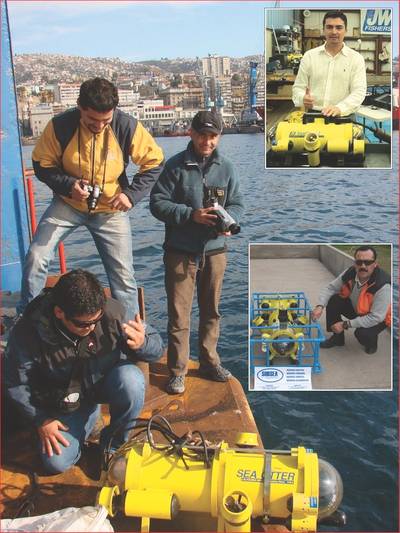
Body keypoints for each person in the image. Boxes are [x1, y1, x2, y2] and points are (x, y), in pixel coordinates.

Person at [17, 78, 164, 320]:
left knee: (123, 276)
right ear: (79, 108)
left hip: (110, 209)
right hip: (68, 203)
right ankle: (28, 320)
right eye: (92, 120)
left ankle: (131, 333)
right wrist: (68, 185)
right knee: (36, 257)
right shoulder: (61, 125)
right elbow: (42, 163)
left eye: (105, 121)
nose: (98, 125)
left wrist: (131, 195)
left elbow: (155, 163)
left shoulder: (127, 126)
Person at [5, 269, 163, 474]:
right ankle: (88, 420)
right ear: (59, 312)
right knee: (55, 462)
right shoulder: (28, 332)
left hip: (101, 383)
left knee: (131, 380)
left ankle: (114, 446)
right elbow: (16, 383)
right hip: (61, 402)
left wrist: (143, 343)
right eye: (82, 324)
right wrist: (41, 420)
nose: (90, 328)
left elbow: (156, 348)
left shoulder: (113, 314)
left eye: (95, 321)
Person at [150, 111, 244, 394]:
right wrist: (191, 215)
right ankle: (177, 371)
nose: (207, 141)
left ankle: (209, 362)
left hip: (215, 252)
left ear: (219, 137)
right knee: (179, 316)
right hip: (180, 253)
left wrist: (231, 222)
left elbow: (238, 202)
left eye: (213, 135)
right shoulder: (175, 167)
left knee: (211, 312)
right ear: (191, 133)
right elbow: (157, 203)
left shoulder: (226, 167)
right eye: (202, 134)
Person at [311, 246, 391, 354]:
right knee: (333, 300)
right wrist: (320, 306)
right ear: (354, 263)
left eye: (367, 262)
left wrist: (345, 324)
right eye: (359, 262)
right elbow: (331, 288)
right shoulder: (350, 272)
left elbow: (376, 317)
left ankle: (372, 342)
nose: (363, 266)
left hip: (377, 318)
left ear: (375, 264)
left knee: (362, 334)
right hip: (357, 309)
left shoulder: (383, 285)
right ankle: (338, 338)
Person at [292, 11, 367, 117]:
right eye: (329, 27)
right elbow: (298, 88)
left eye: (339, 27)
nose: (334, 31)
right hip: (313, 114)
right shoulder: (309, 56)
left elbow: (359, 91)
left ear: (346, 30)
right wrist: (302, 98)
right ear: (324, 30)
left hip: (343, 115)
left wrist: (340, 108)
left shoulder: (356, 59)